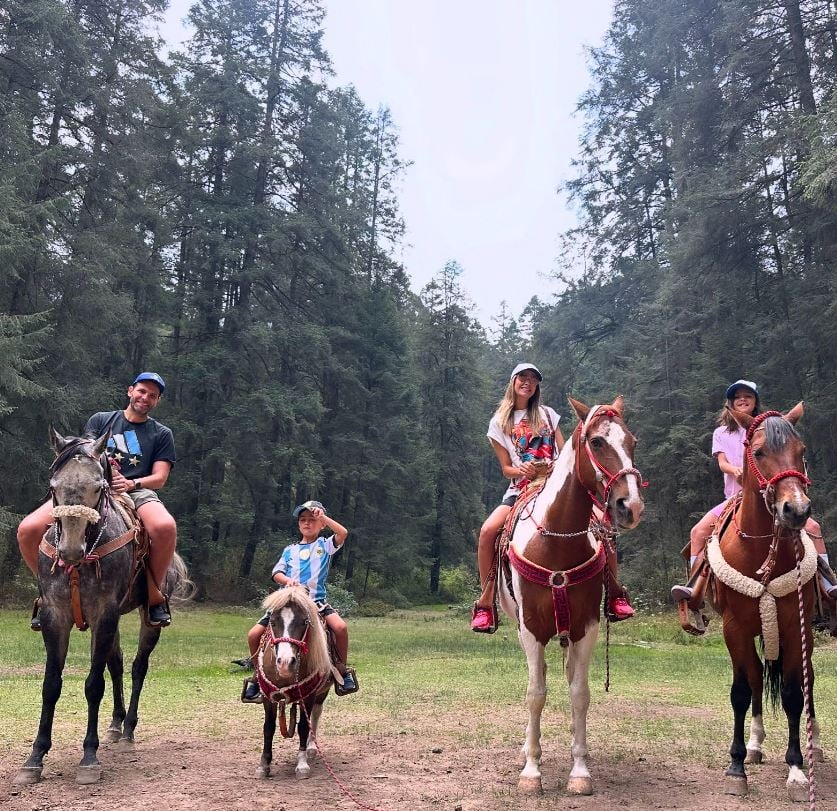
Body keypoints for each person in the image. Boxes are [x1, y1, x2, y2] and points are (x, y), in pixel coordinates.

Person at [471, 362, 635, 634]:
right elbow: (505, 469)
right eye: (523, 378)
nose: (528, 383)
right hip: (521, 488)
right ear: (512, 382)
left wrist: (557, 468)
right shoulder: (499, 422)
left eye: (533, 379)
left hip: (556, 484)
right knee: (488, 532)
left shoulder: (548, 415)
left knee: (604, 526)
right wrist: (520, 469)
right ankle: (486, 603)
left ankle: (615, 593)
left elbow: (564, 451)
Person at [18, 372, 178, 628]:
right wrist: (104, 474)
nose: (145, 398)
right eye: (141, 391)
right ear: (130, 391)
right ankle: (46, 592)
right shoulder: (102, 420)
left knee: (165, 527)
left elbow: (160, 477)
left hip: (135, 491)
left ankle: (154, 596)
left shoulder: (161, 434)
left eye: (152, 395)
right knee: (28, 529)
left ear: (157, 401)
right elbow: (85, 455)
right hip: (90, 487)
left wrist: (131, 483)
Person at [671, 379, 837, 605]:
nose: (742, 399)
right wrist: (735, 470)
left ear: (755, 400)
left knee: (813, 527)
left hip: (769, 496)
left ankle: (828, 584)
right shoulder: (721, 432)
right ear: (730, 403)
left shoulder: (769, 429)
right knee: (698, 532)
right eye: (737, 396)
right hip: (735, 497)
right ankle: (694, 589)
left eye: (747, 396)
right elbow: (721, 462)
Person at [243, 500, 357, 701]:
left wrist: (323, 517)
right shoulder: (290, 550)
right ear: (298, 524)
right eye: (303, 520)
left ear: (321, 524)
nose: (307, 523)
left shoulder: (325, 545)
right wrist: (288, 581)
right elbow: (276, 572)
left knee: (340, 628)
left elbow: (343, 533)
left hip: (315, 602)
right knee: (254, 635)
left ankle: (341, 670)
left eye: (312, 520)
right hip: (286, 602)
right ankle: (258, 675)